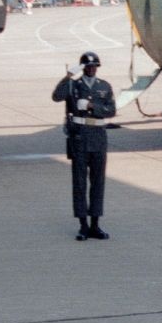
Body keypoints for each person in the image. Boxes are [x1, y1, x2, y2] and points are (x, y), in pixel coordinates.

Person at [52, 50, 116, 240]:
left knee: (98, 182)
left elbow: (111, 110)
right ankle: (83, 225)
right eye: (88, 67)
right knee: (79, 183)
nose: (91, 69)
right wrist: (68, 76)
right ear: (83, 68)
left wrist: (91, 107)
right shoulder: (73, 86)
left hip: (98, 138)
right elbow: (56, 96)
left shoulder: (104, 86)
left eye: (94, 66)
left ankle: (95, 223)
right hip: (79, 139)